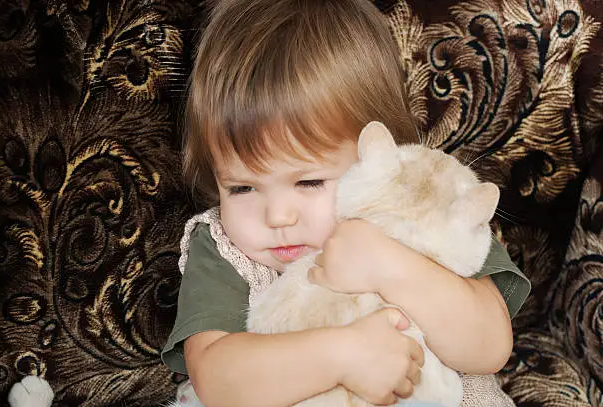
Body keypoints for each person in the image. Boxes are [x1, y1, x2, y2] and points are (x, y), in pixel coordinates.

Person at [161, 1, 531, 406]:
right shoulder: (224, 250)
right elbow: (217, 380)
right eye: (242, 189)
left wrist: (389, 265)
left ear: (374, 156)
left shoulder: (427, 211)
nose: (278, 216)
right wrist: (342, 355)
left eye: (310, 181)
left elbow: (489, 346)